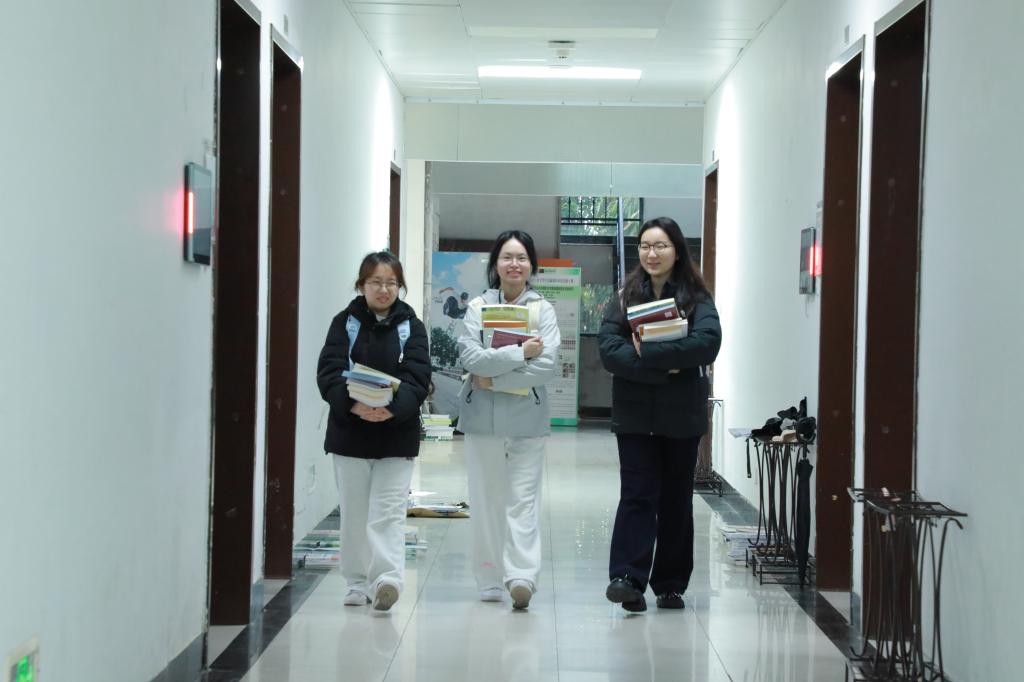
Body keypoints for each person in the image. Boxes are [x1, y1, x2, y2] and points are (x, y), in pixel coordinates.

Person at [598, 217, 722, 612]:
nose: (652, 254)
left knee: (675, 499)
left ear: (677, 251)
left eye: (661, 246)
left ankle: (670, 583)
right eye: (645, 246)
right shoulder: (626, 296)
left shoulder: (696, 298)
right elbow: (609, 348)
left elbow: (706, 344)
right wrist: (664, 368)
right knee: (636, 494)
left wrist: (648, 352)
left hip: (681, 417)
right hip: (635, 416)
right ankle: (627, 579)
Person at [317, 251, 431, 611]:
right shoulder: (344, 323)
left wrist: (390, 409)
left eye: (391, 283)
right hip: (350, 434)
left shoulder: (412, 327)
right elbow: (329, 372)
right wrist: (354, 405)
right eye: (376, 282)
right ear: (361, 285)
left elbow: (418, 376)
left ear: (400, 287)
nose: (384, 289)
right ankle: (356, 582)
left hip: (396, 434)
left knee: (388, 511)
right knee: (354, 513)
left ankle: (387, 579)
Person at [457, 230, 560, 610]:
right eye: (507, 257)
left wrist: (495, 378)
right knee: (485, 501)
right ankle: (488, 576)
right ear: (496, 264)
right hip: (481, 420)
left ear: (532, 265)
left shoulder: (543, 310)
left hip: (527, 421)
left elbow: (547, 366)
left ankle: (522, 577)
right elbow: (471, 359)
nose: (514, 264)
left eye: (521, 258)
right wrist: (521, 354)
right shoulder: (477, 307)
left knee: (523, 501)